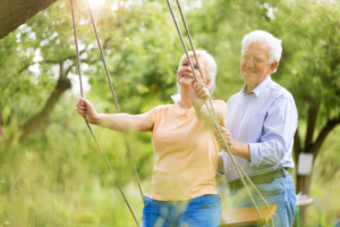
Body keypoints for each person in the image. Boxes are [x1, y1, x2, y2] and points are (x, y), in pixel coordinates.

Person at [76, 50, 228, 227]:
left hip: (199, 204)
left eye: (195, 67)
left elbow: (206, 114)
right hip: (157, 205)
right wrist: (96, 118)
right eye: (185, 64)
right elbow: (132, 120)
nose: (188, 68)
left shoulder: (218, 107)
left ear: (207, 81)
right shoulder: (160, 112)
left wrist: (198, 101)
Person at [215, 30, 298, 227]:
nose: (249, 64)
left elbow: (275, 151)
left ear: (273, 66)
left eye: (257, 59)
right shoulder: (233, 102)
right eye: (245, 57)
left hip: (269, 194)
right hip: (237, 194)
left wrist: (232, 147)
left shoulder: (280, 98)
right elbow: (228, 155)